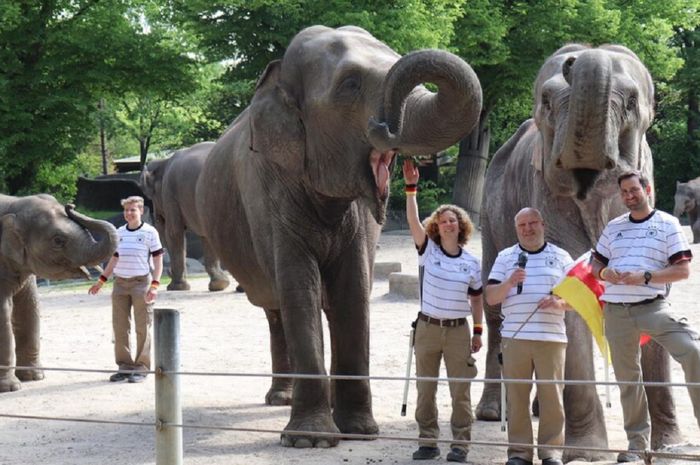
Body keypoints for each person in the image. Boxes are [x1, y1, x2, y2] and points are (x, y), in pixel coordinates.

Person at [591, 170, 698, 463]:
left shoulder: (668, 223)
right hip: (615, 311)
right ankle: (637, 445)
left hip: (654, 307)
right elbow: (594, 263)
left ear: (647, 189)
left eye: (634, 190)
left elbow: (682, 270)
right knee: (628, 379)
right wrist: (604, 272)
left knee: (694, 352)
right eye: (624, 192)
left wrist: (646, 277)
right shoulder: (614, 227)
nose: (629, 196)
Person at [403, 159, 483, 463]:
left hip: (458, 330)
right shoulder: (427, 250)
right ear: (436, 226)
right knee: (425, 389)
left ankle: (460, 445)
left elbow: (476, 299)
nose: (449, 224)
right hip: (426, 327)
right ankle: (427, 442)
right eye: (444, 220)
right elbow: (412, 222)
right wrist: (411, 189)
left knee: (460, 391)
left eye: (454, 220)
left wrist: (478, 330)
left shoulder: (472, 262)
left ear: (461, 226)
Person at [485, 207, 572, 465]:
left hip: (552, 338)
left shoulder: (561, 256)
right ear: (516, 229)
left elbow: (577, 299)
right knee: (517, 397)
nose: (528, 228)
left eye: (533, 223)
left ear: (543, 224)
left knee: (552, 397)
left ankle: (551, 452)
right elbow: (491, 297)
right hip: (515, 338)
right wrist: (509, 282)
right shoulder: (505, 257)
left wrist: (560, 303)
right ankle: (519, 453)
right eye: (522, 225)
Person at [89, 195, 164, 383]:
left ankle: (142, 367)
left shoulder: (150, 232)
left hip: (141, 283)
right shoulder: (119, 232)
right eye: (126, 210)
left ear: (141, 211)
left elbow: (157, 259)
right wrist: (101, 281)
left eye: (133, 210)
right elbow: (114, 258)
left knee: (142, 326)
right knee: (120, 327)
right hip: (120, 284)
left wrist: (155, 285)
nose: (129, 213)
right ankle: (124, 366)